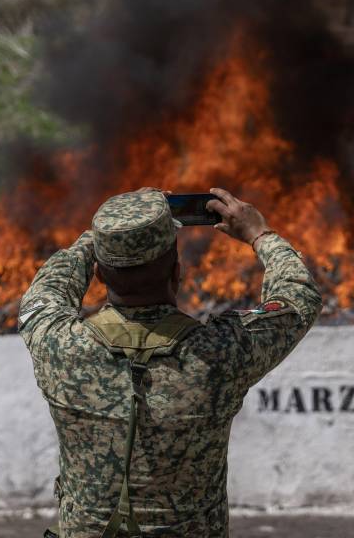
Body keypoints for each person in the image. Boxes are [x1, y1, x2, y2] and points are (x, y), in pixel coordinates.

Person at [19, 187, 321, 537]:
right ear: (177, 273)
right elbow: (299, 296)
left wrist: (109, 232)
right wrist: (259, 233)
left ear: (99, 275)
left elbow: (46, 291)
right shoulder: (221, 352)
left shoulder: (57, 345)